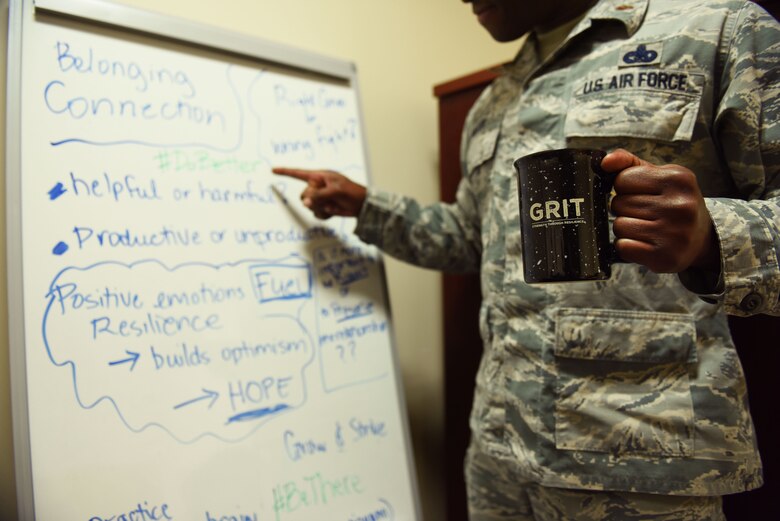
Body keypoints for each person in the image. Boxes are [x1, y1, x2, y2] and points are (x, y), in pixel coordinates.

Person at [274, 0, 780, 519]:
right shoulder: (495, 100)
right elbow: (471, 239)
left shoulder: (718, 30)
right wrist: (365, 206)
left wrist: (711, 235)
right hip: (499, 448)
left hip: (636, 459)